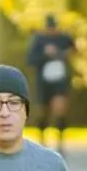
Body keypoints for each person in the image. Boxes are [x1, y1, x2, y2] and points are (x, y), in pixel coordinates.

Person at [25, 16, 78, 151]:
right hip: (43, 80)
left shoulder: (64, 38)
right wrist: (46, 55)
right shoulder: (39, 40)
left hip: (60, 80)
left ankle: (60, 142)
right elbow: (31, 60)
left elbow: (74, 51)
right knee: (43, 111)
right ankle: (42, 141)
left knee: (60, 108)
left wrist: (62, 54)